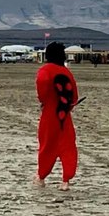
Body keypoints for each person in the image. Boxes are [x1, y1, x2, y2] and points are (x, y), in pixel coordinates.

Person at [34, 42, 79, 191]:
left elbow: (42, 90)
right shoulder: (66, 72)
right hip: (64, 116)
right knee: (67, 146)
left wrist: (44, 101)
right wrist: (69, 105)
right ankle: (66, 180)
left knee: (47, 145)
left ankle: (41, 177)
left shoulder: (45, 70)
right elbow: (74, 96)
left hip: (49, 114)